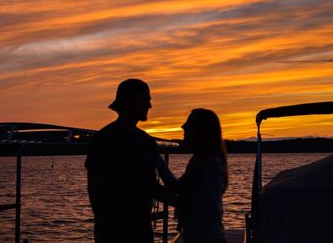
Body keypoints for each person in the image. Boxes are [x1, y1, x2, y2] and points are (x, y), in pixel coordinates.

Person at [85, 79, 171, 243]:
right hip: (118, 230)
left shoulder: (105, 138)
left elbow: (151, 186)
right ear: (129, 102)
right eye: (145, 99)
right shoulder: (107, 140)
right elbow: (95, 187)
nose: (149, 105)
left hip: (136, 228)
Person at [175, 108, 228, 243]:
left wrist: (157, 163)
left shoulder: (206, 162)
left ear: (200, 131)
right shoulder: (205, 160)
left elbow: (176, 188)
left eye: (189, 124)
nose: (183, 126)